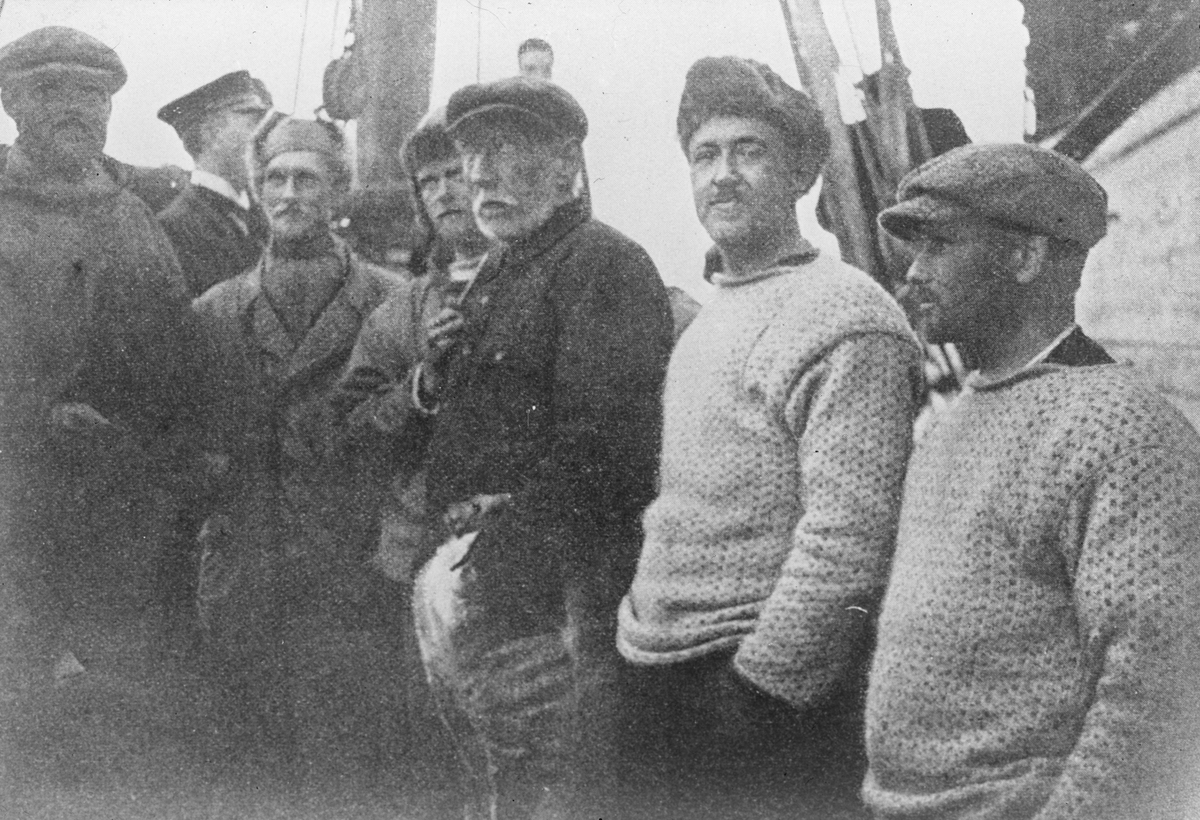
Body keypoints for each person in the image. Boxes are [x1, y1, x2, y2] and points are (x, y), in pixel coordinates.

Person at [615, 56, 923, 820]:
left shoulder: (848, 315)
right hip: (657, 671)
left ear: (800, 174)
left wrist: (758, 690)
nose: (722, 175)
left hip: (756, 698)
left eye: (748, 151)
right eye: (705, 156)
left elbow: (850, 539)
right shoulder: (709, 319)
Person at [864, 143, 1200, 820]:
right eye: (915, 248)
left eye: (939, 245)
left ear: (1024, 257)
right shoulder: (956, 419)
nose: (914, 271)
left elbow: (1156, 694)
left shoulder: (1119, 427)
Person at [410, 76, 673, 820]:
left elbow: (609, 447)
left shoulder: (603, 263)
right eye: (471, 154)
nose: (479, 173)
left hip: (550, 598)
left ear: (564, 170)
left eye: (504, 150)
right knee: (497, 792)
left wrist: (496, 559)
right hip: (486, 584)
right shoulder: (502, 268)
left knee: (551, 792)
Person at [0, 25, 206, 792]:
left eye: (92, 95)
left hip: (123, 515)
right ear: (11, 101)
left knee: (122, 712)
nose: (76, 109)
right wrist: (35, 416)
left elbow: (177, 349)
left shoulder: (133, 216)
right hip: (16, 513)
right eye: (52, 91)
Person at [191, 116, 408, 789]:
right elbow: (189, 447)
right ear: (258, 191)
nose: (289, 194)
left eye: (307, 180)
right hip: (247, 579)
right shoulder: (216, 311)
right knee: (252, 774)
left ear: (339, 192)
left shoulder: (391, 302)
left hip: (352, 577)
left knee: (348, 771)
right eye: (276, 179)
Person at [157, 70, 273, 297]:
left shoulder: (263, 216)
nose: (268, 140)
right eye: (256, 126)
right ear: (212, 133)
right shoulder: (174, 229)